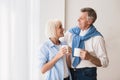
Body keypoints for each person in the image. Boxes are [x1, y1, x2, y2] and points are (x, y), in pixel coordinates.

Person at [61, 7, 109, 80]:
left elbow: (105, 62)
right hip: (70, 73)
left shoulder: (97, 38)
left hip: (87, 74)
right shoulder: (72, 32)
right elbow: (58, 41)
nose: (78, 20)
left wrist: (90, 57)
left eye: (81, 18)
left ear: (89, 21)